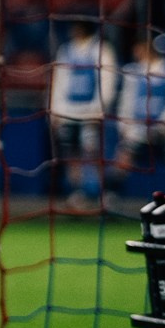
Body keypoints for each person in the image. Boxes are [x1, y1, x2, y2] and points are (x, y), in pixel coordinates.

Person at [50, 19, 117, 211]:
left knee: (93, 152)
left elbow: (107, 80)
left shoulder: (101, 50)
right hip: (69, 111)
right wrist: (56, 109)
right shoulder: (66, 50)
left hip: (91, 112)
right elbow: (60, 81)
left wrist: (100, 108)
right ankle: (78, 192)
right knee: (72, 154)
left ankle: (101, 193)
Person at [115, 33, 165, 178]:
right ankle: (114, 191)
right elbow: (126, 102)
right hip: (137, 130)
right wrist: (126, 127)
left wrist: (162, 127)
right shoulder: (133, 71)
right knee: (123, 156)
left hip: (164, 131)